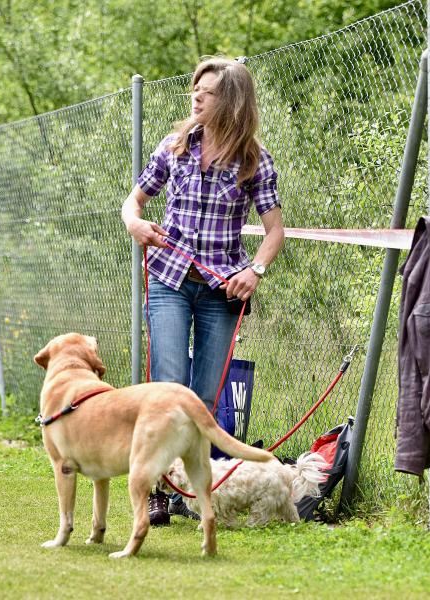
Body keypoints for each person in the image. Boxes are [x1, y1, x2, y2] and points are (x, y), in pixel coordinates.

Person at [121, 56, 284, 526]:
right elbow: (133, 202)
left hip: (221, 293)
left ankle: (188, 492)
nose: (195, 97)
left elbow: (274, 232)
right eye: (195, 89)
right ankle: (155, 491)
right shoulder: (174, 147)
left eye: (206, 92)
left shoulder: (254, 161)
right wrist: (135, 223)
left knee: (206, 400)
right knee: (168, 387)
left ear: (230, 102)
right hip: (169, 280)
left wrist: (255, 271)